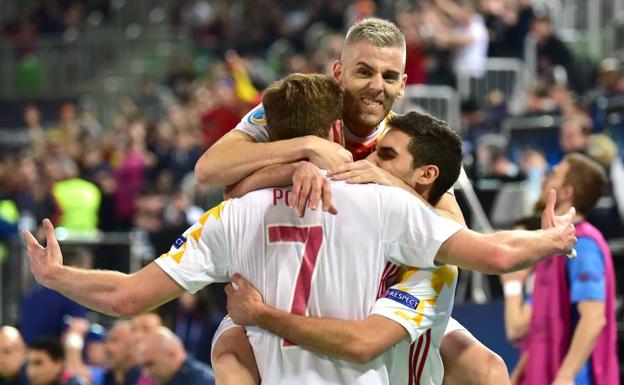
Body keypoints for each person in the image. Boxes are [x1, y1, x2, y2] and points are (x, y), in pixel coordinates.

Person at [23, 74, 577, 385]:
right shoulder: (383, 202)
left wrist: (56, 275)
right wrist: (553, 238)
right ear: (337, 130)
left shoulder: (230, 215)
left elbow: (125, 296)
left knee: (228, 343)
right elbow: (498, 255)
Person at [194, 17, 502, 385]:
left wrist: (387, 179)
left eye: (389, 77)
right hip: (284, 282)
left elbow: (455, 236)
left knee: (486, 369)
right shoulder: (301, 107)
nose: (376, 86)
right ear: (338, 72)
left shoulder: (405, 140)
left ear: (403, 84)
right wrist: (304, 151)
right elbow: (209, 171)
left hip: (374, 288)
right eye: (364, 72)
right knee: (230, 358)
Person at [503, 154, 619, 385]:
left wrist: (566, 376)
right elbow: (538, 328)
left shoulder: (583, 245)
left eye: (554, 174)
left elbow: (594, 318)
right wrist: (520, 375)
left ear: (566, 192)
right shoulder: (555, 247)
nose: (545, 179)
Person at [137, 327, 214, 385]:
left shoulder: (202, 381)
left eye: (150, 364)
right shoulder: (171, 379)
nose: (146, 373)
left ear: (172, 355)